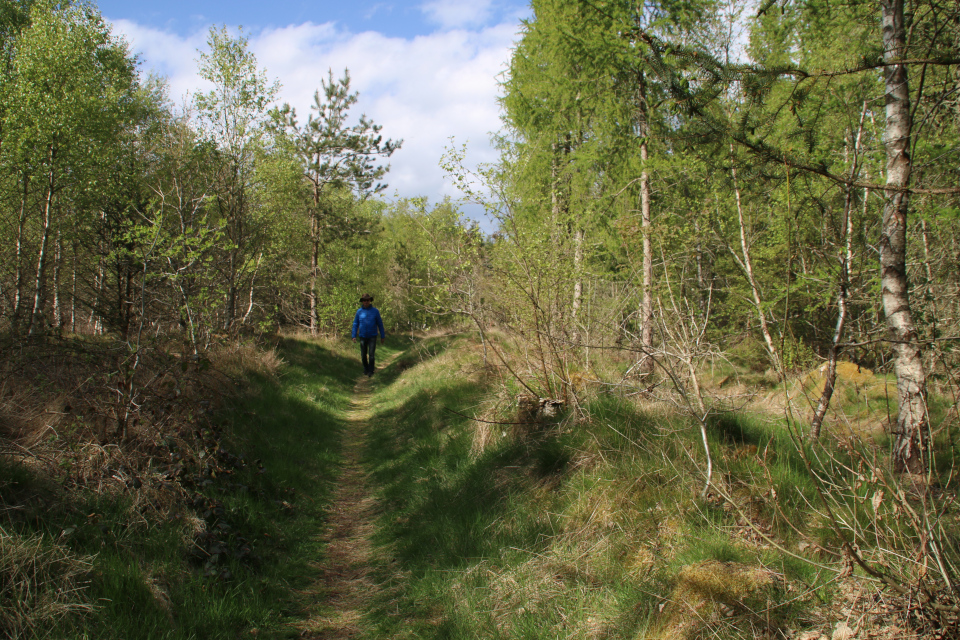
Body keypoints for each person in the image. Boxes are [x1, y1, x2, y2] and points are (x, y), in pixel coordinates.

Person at [352, 293, 385, 376]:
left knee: (371, 355)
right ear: (362, 301)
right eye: (364, 300)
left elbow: (380, 324)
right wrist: (354, 335)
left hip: (372, 336)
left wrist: (382, 336)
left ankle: (371, 370)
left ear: (370, 301)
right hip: (362, 336)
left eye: (367, 300)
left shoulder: (375, 311)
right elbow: (355, 324)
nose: (366, 302)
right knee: (363, 355)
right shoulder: (359, 312)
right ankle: (365, 369)